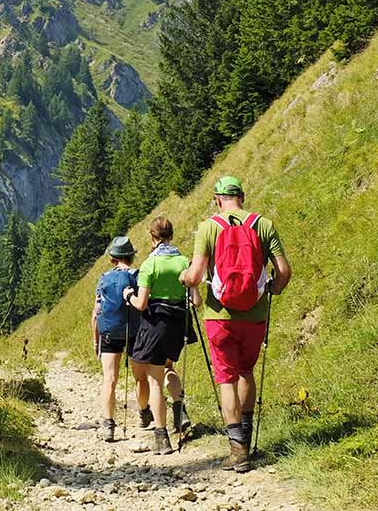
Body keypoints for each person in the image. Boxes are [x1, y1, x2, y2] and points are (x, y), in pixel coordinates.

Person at [180, 176, 291, 473]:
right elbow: (283, 271)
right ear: (242, 196)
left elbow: (195, 275)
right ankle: (248, 439)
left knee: (226, 378)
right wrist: (273, 289)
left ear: (218, 199)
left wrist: (185, 278)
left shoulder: (208, 227)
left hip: (220, 316)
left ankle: (237, 451)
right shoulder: (263, 224)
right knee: (246, 372)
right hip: (255, 315)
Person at [123, 217, 201, 454]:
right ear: (172, 235)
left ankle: (161, 436)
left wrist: (128, 296)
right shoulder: (184, 262)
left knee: (155, 378)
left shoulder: (150, 265)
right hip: (179, 325)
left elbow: (141, 303)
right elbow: (196, 300)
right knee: (170, 368)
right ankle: (179, 410)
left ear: (152, 236)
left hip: (155, 323)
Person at [91, 236, 147, 442]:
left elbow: (97, 311)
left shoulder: (104, 278)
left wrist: (96, 340)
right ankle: (143, 412)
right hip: (134, 332)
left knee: (110, 379)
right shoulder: (137, 275)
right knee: (140, 377)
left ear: (112, 258)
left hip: (109, 332)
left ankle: (108, 424)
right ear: (131, 257)